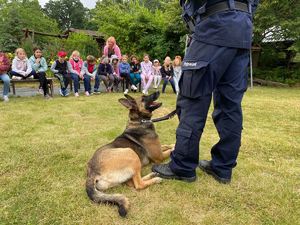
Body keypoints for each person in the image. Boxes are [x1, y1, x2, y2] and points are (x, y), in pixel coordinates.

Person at [152, 0, 260, 183]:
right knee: (230, 105)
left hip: (214, 26)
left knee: (192, 98)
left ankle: (183, 166)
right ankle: (223, 167)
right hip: (242, 30)